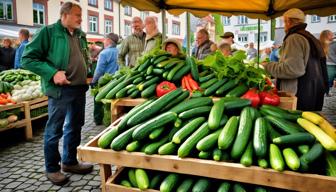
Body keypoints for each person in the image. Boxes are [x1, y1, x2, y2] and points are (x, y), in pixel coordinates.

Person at [21, 2, 93, 185]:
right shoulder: (48, 32)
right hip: (59, 90)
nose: (81, 18)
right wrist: (52, 73)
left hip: (78, 89)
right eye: (77, 14)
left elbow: (84, 56)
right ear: (65, 14)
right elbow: (27, 59)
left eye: (81, 15)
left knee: (75, 126)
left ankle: (69, 162)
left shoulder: (80, 34)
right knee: (54, 130)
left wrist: (89, 73)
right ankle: (52, 168)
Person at [262, 8, 328, 111]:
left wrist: (266, 66)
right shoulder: (310, 37)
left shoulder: (294, 38)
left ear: (288, 21)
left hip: (300, 96)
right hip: (313, 92)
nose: (284, 26)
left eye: (284, 22)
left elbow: (293, 69)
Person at [91, 33, 120, 125]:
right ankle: (113, 118)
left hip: (104, 81)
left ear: (108, 41)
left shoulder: (104, 53)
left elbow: (99, 70)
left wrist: (93, 81)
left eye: (105, 40)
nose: (103, 42)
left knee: (98, 100)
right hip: (116, 80)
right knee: (112, 101)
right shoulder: (119, 51)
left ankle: (98, 119)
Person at [320, 30, 336, 96]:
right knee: (329, 80)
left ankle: (327, 91)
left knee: (328, 80)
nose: (333, 36)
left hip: (327, 64)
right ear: (327, 36)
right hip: (331, 64)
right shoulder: (333, 44)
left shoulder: (320, 43)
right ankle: (327, 91)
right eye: (331, 34)